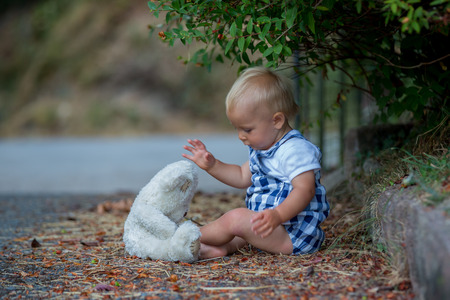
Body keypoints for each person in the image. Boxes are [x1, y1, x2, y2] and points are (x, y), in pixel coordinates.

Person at [182, 67, 330, 259]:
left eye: (247, 129)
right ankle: (218, 250)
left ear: (276, 120)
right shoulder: (264, 149)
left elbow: (305, 190)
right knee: (238, 233)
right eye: (237, 129)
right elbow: (242, 176)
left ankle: (187, 236)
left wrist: (278, 215)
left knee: (236, 219)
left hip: (293, 235)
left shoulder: (295, 150)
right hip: (270, 229)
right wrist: (213, 165)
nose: (240, 136)